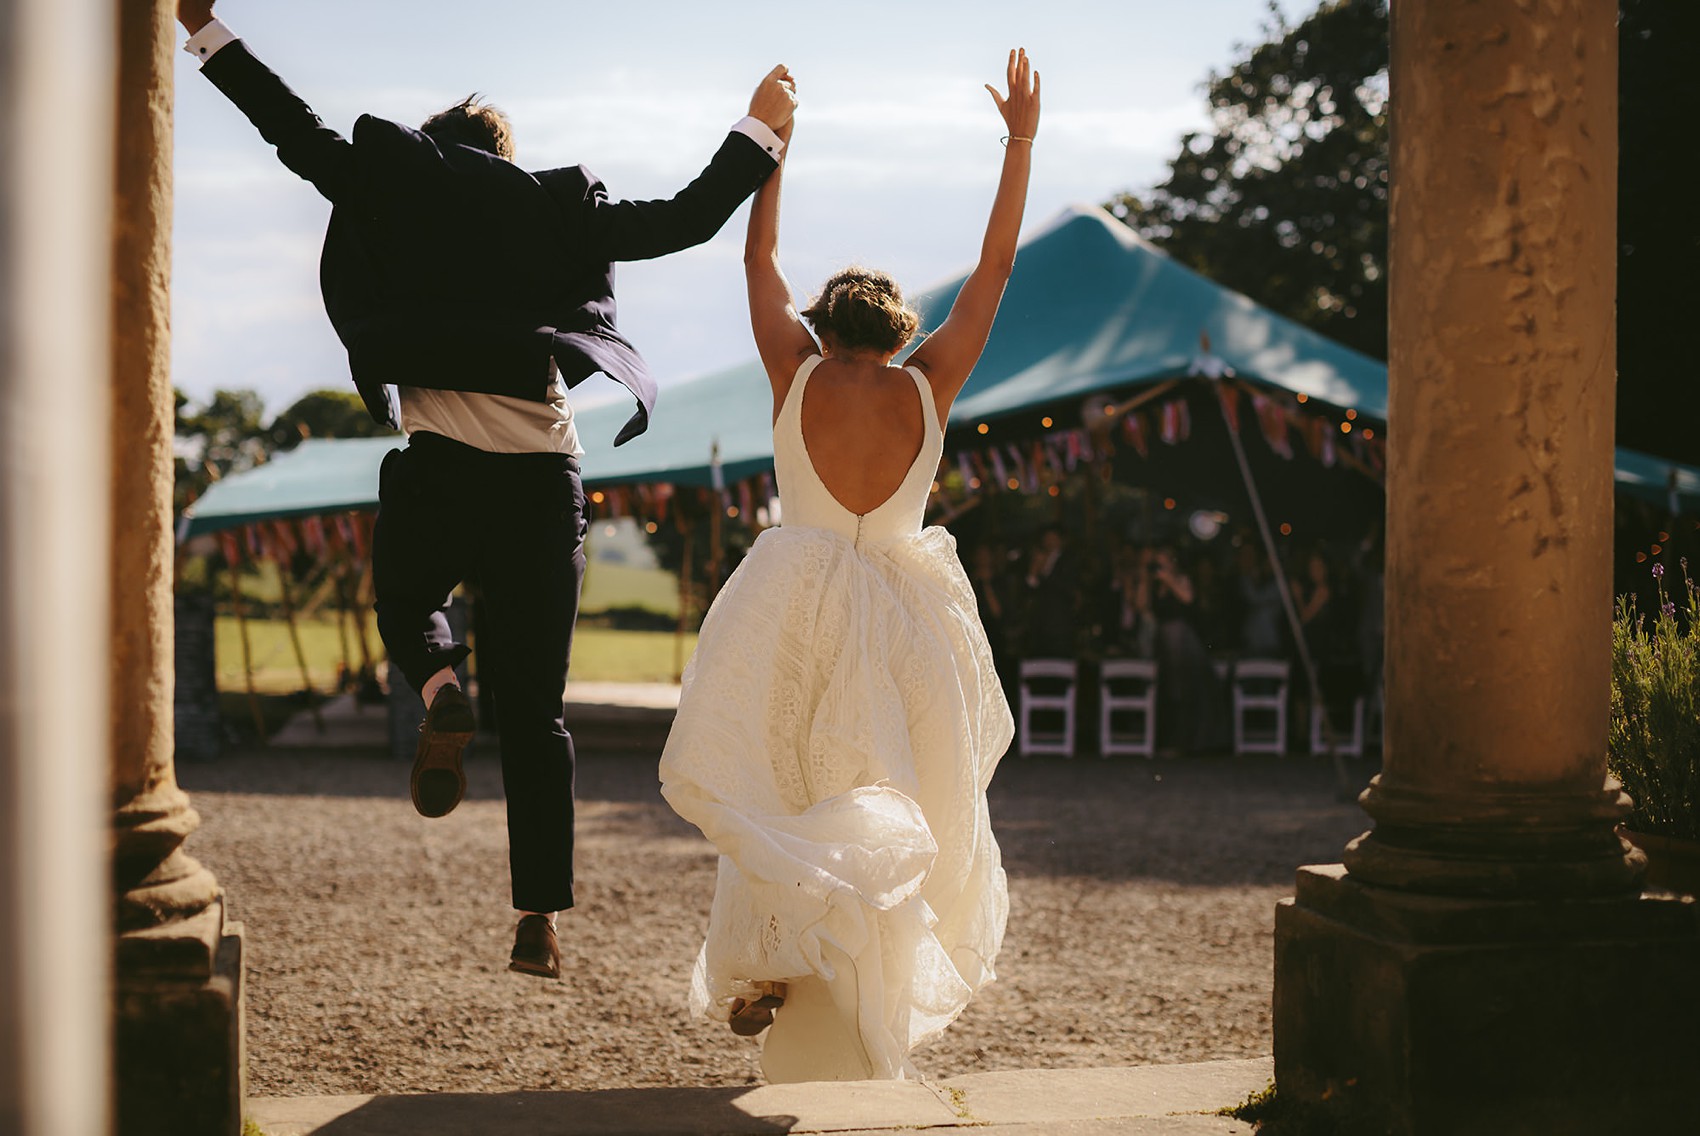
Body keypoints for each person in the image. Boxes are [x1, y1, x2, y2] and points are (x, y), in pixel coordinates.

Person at [175, 0, 797, 979]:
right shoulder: (553, 212)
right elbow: (682, 219)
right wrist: (759, 128)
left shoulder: (391, 192)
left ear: (433, 151)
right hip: (544, 479)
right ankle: (538, 919)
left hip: (442, 469)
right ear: (507, 157)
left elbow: (294, 133)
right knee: (540, 711)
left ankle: (439, 687)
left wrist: (204, 30)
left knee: (406, 595)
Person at [658, 49, 1039, 1082]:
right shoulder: (930, 385)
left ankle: (772, 962)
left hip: (794, 592)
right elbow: (996, 268)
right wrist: (1019, 143)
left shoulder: (795, 371)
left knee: (778, 778)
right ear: (900, 330)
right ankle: (855, 951)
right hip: (908, 603)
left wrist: (772, 144)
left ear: (822, 326)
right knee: (900, 783)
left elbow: (756, 261)